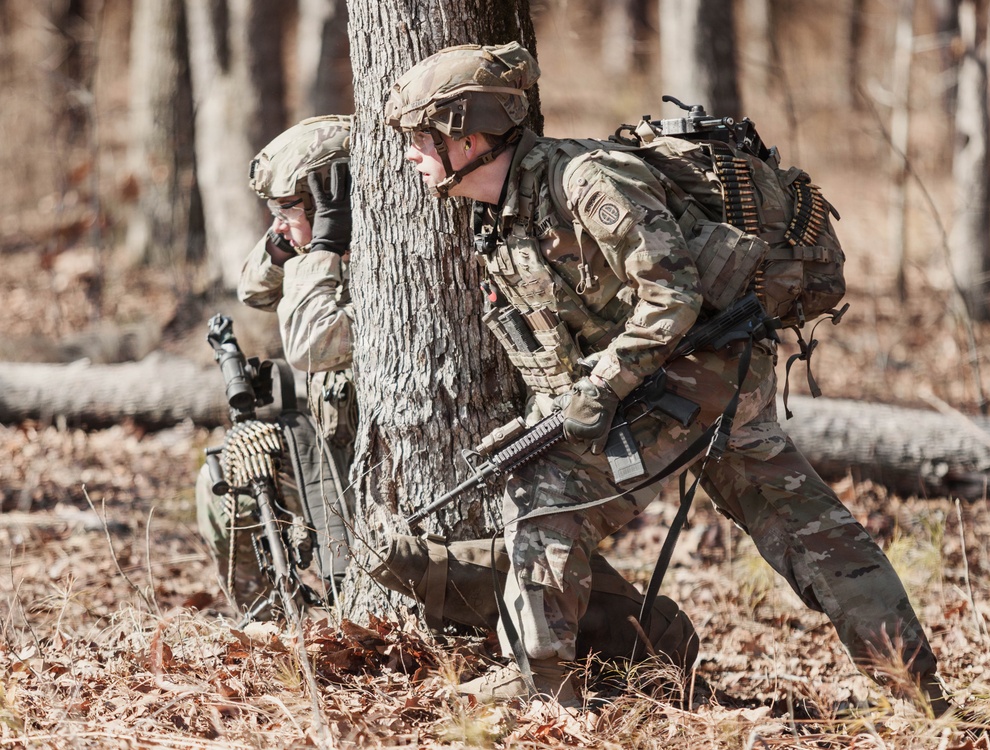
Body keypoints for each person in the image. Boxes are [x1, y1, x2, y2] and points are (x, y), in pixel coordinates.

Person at [384, 42, 950, 713]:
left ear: (467, 138)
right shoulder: (501, 215)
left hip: (699, 373)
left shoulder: (589, 183)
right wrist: (551, 412)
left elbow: (672, 297)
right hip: (688, 377)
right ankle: (924, 696)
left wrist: (599, 390)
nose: (411, 156)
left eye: (421, 139)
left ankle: (546, 694)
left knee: (546, 493)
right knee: (809, 528)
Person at [195, 115, 356, 619]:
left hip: (371, 471)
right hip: (333, 443)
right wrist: (295, 238)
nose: (278, 225)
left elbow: (311, 346)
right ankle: (272, 626)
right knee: (228, 478)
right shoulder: (321, 250)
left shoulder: (383, 266)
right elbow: (254, 290)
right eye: (274, 211)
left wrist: (324, 246)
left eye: (287, 209)